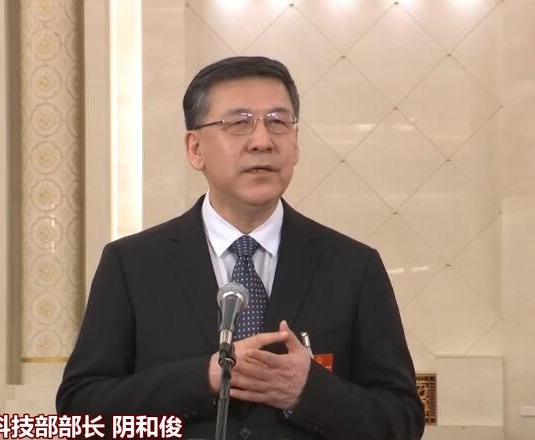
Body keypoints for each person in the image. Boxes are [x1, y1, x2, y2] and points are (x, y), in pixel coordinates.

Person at [57, 56, 425, 440]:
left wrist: (308, 392)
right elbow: (80, 410)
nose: (262, 141)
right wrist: (205, 377)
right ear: (195, 148)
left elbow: (402, 420)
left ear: (296, 144)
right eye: (238, 123)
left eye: (278, 122)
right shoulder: (132, 265)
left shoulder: (353, 267)